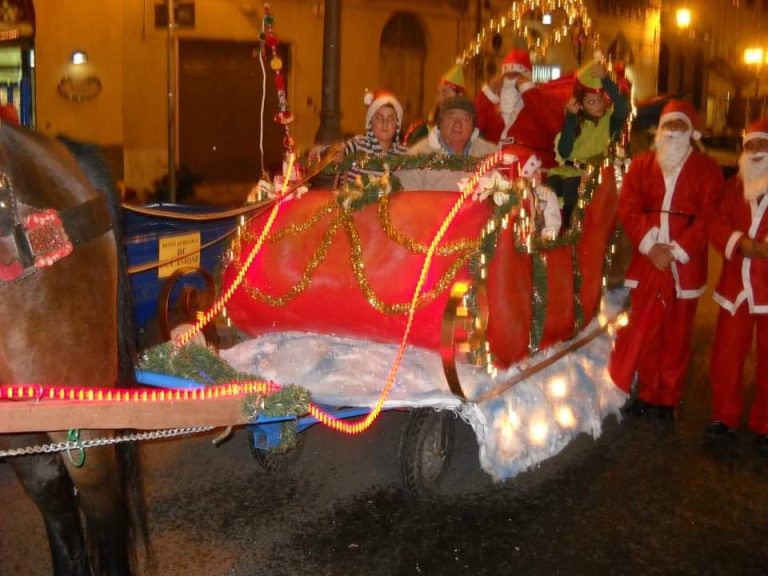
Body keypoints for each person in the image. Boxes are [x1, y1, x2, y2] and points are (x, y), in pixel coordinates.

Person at [608, 99, 724, 421]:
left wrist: (676, 250)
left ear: (691, 132)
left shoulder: (707, 169)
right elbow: (628, 206)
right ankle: (647, 392)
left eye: (679, 125)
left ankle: (667, 399)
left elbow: (708, 216)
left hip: (684, 265)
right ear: (658, 130)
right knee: (647, 330)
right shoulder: (642, 165)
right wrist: (650, 245)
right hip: (648, 260)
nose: (673, 131)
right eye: (668, 124)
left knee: (677, 334)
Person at [705, 116, 768, 451]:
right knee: (727, 354)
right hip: (737, 283)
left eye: (762, 144)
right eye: (750, 145)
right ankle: (723, 416)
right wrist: (739, 241)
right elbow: (715, 220)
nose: (756, 151)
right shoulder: (733, 187)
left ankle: (766, 422)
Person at [548, 61, 629, 228]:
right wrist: (570, 118)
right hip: (569, 170)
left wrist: (606, 79)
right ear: (581, 106)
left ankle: (571, 232)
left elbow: (622, 107)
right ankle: (548, 232)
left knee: (571, 187)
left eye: (599, 99)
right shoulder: (576, 121)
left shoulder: (609, 120)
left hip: (593, 174)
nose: (598, 105)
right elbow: (564, 152)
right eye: (591, 102)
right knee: (550, 186)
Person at [474, 48, 562, 168]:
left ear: (526, 79)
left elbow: (554, 124)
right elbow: (471, 127)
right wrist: (487, 94)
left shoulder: (543, 99)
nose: (510, 81)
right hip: (496, 167)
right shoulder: (492, 104)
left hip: (535, 167)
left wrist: (529, 91)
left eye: (516, 77)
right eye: (506, 77)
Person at [400, 95, 496, 191]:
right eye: (451, 117)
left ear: (473, 126)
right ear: (439, 123)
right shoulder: (415, 158)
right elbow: (408, 201)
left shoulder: (492, 155)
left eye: (465, 119)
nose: (458, 123)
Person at [404, 62, 466, 146]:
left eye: (445, 92)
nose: (440, 99)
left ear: (460, 96)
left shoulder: (470, 134)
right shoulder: (423, 131)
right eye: (438, 93)